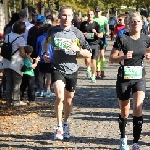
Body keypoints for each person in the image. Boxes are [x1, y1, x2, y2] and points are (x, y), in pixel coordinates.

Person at [43, 6, 92, 140]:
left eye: (69, 15)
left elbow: (89, 53)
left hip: (72, 69)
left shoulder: (77, 33)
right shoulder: (52, 31)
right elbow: (46, 44)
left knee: (69, 100)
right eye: (64, 15)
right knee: (59, 96)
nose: (66, 18)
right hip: (57, 67)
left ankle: (65, 123)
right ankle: (58, 126)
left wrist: (78, 50)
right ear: (59, 16)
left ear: (72, 17)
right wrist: (45, 54)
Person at [109, 12, 150, 150]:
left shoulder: (146, 39)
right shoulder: (122, 38)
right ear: (128, 24)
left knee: (138, 108)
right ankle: (123, 137)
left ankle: (136, 142)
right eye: (133, 21)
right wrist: (123, 57)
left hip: (139, 77)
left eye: (138, 21)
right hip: (124, 77)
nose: (136, 24)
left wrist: (148, 54)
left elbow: (148, 50)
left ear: (142, 23)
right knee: (125, 112)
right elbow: (112, 58)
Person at [3, 21, 26, 106]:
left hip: (6, 62)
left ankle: (8, 101)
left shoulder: (7, 36)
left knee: (9, 82)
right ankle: (16, 101)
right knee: (17, 82)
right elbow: (22, 53)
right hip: (16, 63)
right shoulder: (20, 39)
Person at [80, 10, 103, 83]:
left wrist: (95, 32)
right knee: (87, 60)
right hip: (86, 44)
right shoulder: (83, 24)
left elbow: (101, 35)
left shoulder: (96, 25)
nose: (90, 16)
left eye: (91, 14)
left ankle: (93, 76)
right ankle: (88, 68)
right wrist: (83, 34)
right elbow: (79, 33)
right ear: (87, 15)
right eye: (89, 14)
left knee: (94, 61)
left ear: (93, 15)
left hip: (95, 44)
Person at [27, 14, 46, 89]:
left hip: (32, 51)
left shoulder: (32, 29)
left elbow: (29, 40)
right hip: (41, 51)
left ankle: (34, 82)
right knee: (41, 68)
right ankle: (41, 83)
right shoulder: (43, 30)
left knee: (34, 67)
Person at [36, 23, 53, 97]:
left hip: (41, 58)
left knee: (41, 74)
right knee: (49, 74)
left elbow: (37, 48)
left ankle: (41, 90)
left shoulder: (39, 38)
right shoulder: (52, 38)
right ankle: (48, 90)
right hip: (50, 58)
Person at [94, 6, 109, 78]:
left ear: (101, 11)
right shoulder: (94, 19)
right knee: (97, 55)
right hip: (95, 37)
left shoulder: (104, 18)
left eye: (99, 11)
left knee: (102, 55)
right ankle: (98, 72)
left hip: (102, 37)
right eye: (96, 11)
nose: (98, 13)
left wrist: (108, 31)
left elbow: (107, 25)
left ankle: (102, 71)